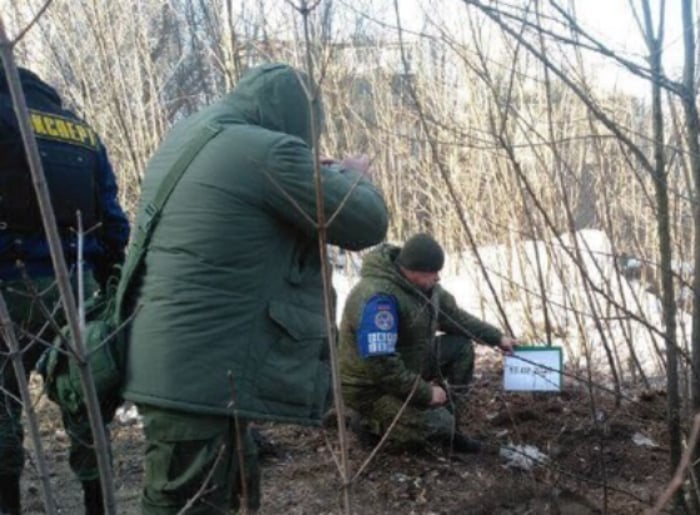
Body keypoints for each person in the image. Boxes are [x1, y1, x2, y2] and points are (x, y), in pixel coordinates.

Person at [121, 63, 388, 513]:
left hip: (180, 364)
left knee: (223, 492)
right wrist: (352, 174)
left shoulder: (191, 136)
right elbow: (366, 221)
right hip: (199, 376)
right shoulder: (268, 152)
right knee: (187, 504)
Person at [0, 65, 130, 514]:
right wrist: (110, 284)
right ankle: (100, 505)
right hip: (79, 288)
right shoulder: (80, 131)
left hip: (9, 288)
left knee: (1, 411)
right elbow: (114, 222)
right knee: (84, 406)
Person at [339, 233, 517, 453]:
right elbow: (380, 364)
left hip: (408, 363)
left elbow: (455, 318)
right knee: (437, 426)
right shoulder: (378, 298)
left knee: (460, 348)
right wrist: (425, 392)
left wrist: (497, 338)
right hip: (371, 387)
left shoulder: (425, 288)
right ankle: (367, 422)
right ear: (413, 271)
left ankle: (450, 425)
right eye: (432, 272)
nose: (438, 278)